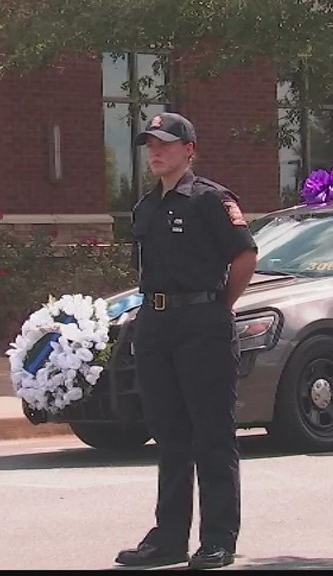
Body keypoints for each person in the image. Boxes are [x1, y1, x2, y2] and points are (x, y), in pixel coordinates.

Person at [115, 112, 258, 570]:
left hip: (202, 323)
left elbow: (245, 254)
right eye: (150, 144)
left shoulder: (210, 200)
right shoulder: (146, 207)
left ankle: (217, 539)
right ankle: (169, 539)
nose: (156, 151)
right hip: (157, 324)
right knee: (170, 436)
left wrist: (219, 306)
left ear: (189, 149)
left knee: (212, 435)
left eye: (165, 143)